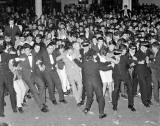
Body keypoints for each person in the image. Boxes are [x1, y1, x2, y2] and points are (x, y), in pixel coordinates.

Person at [74, 49, 114, 119]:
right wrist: (111, 66)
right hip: (96, 83)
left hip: (88, 83)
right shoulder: (96, 63)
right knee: (100, 97)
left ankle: (86, 109)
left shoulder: (84, 64)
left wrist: (74, 58)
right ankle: (101, 113)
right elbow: (104, 68)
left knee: (89, 96)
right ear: (93, 56)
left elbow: (79, 64)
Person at [19, 43, 48, 113]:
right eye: (26, 50)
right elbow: (24, 66)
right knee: (34, 91)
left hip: (34, 74)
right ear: (23, 50)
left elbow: (34, 62)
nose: (28, 51)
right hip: (27, 76)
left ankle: (42, 101)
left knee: (42, 84)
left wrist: (37, 63)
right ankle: (41, 106)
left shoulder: (32, 55)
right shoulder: (21, 57)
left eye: (29, 50)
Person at [112, 45, 136, 112]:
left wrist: (132, 63)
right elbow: (107, 57)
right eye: (125, 50)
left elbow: (130, 63)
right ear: (121, 50)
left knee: (130, 88)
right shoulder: (114, 56)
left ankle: (130, 105)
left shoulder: (125, 57)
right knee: (116, 90)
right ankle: (114, 105)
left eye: (126, 50)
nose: (126, 51)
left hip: (125, 75)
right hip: (117, 76)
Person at [0, 45, 18, 117]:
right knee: (0, 94)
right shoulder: (6, 54)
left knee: (12, 92)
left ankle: (14, 107)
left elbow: (12, 63)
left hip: (7, 76)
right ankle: (1, 112)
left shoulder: (7, 55)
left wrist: (14, 72)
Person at [135, 41, 152, 107]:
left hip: (147, 71)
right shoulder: (137, 53)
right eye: (145, 47)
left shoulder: (147, 52)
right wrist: (139, 62)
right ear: (142, 46)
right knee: (143, 86)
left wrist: (149, 60)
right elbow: (134, 60)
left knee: (149, 85)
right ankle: (144, 101)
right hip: (140, 71)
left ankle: (148, 99)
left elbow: (151, 57)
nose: (146, 48)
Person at [148, 42, 160, 106]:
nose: (152, 48)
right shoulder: (153, 53)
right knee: (155, 85)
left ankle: (156, 99)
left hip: (158, 71)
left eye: (152, 47)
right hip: (153, 71)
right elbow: (152, 59)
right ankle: (156, 98)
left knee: (156, 84)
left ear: (155, 47)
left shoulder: (159, 54)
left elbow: (157, 66)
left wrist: (149, 64)